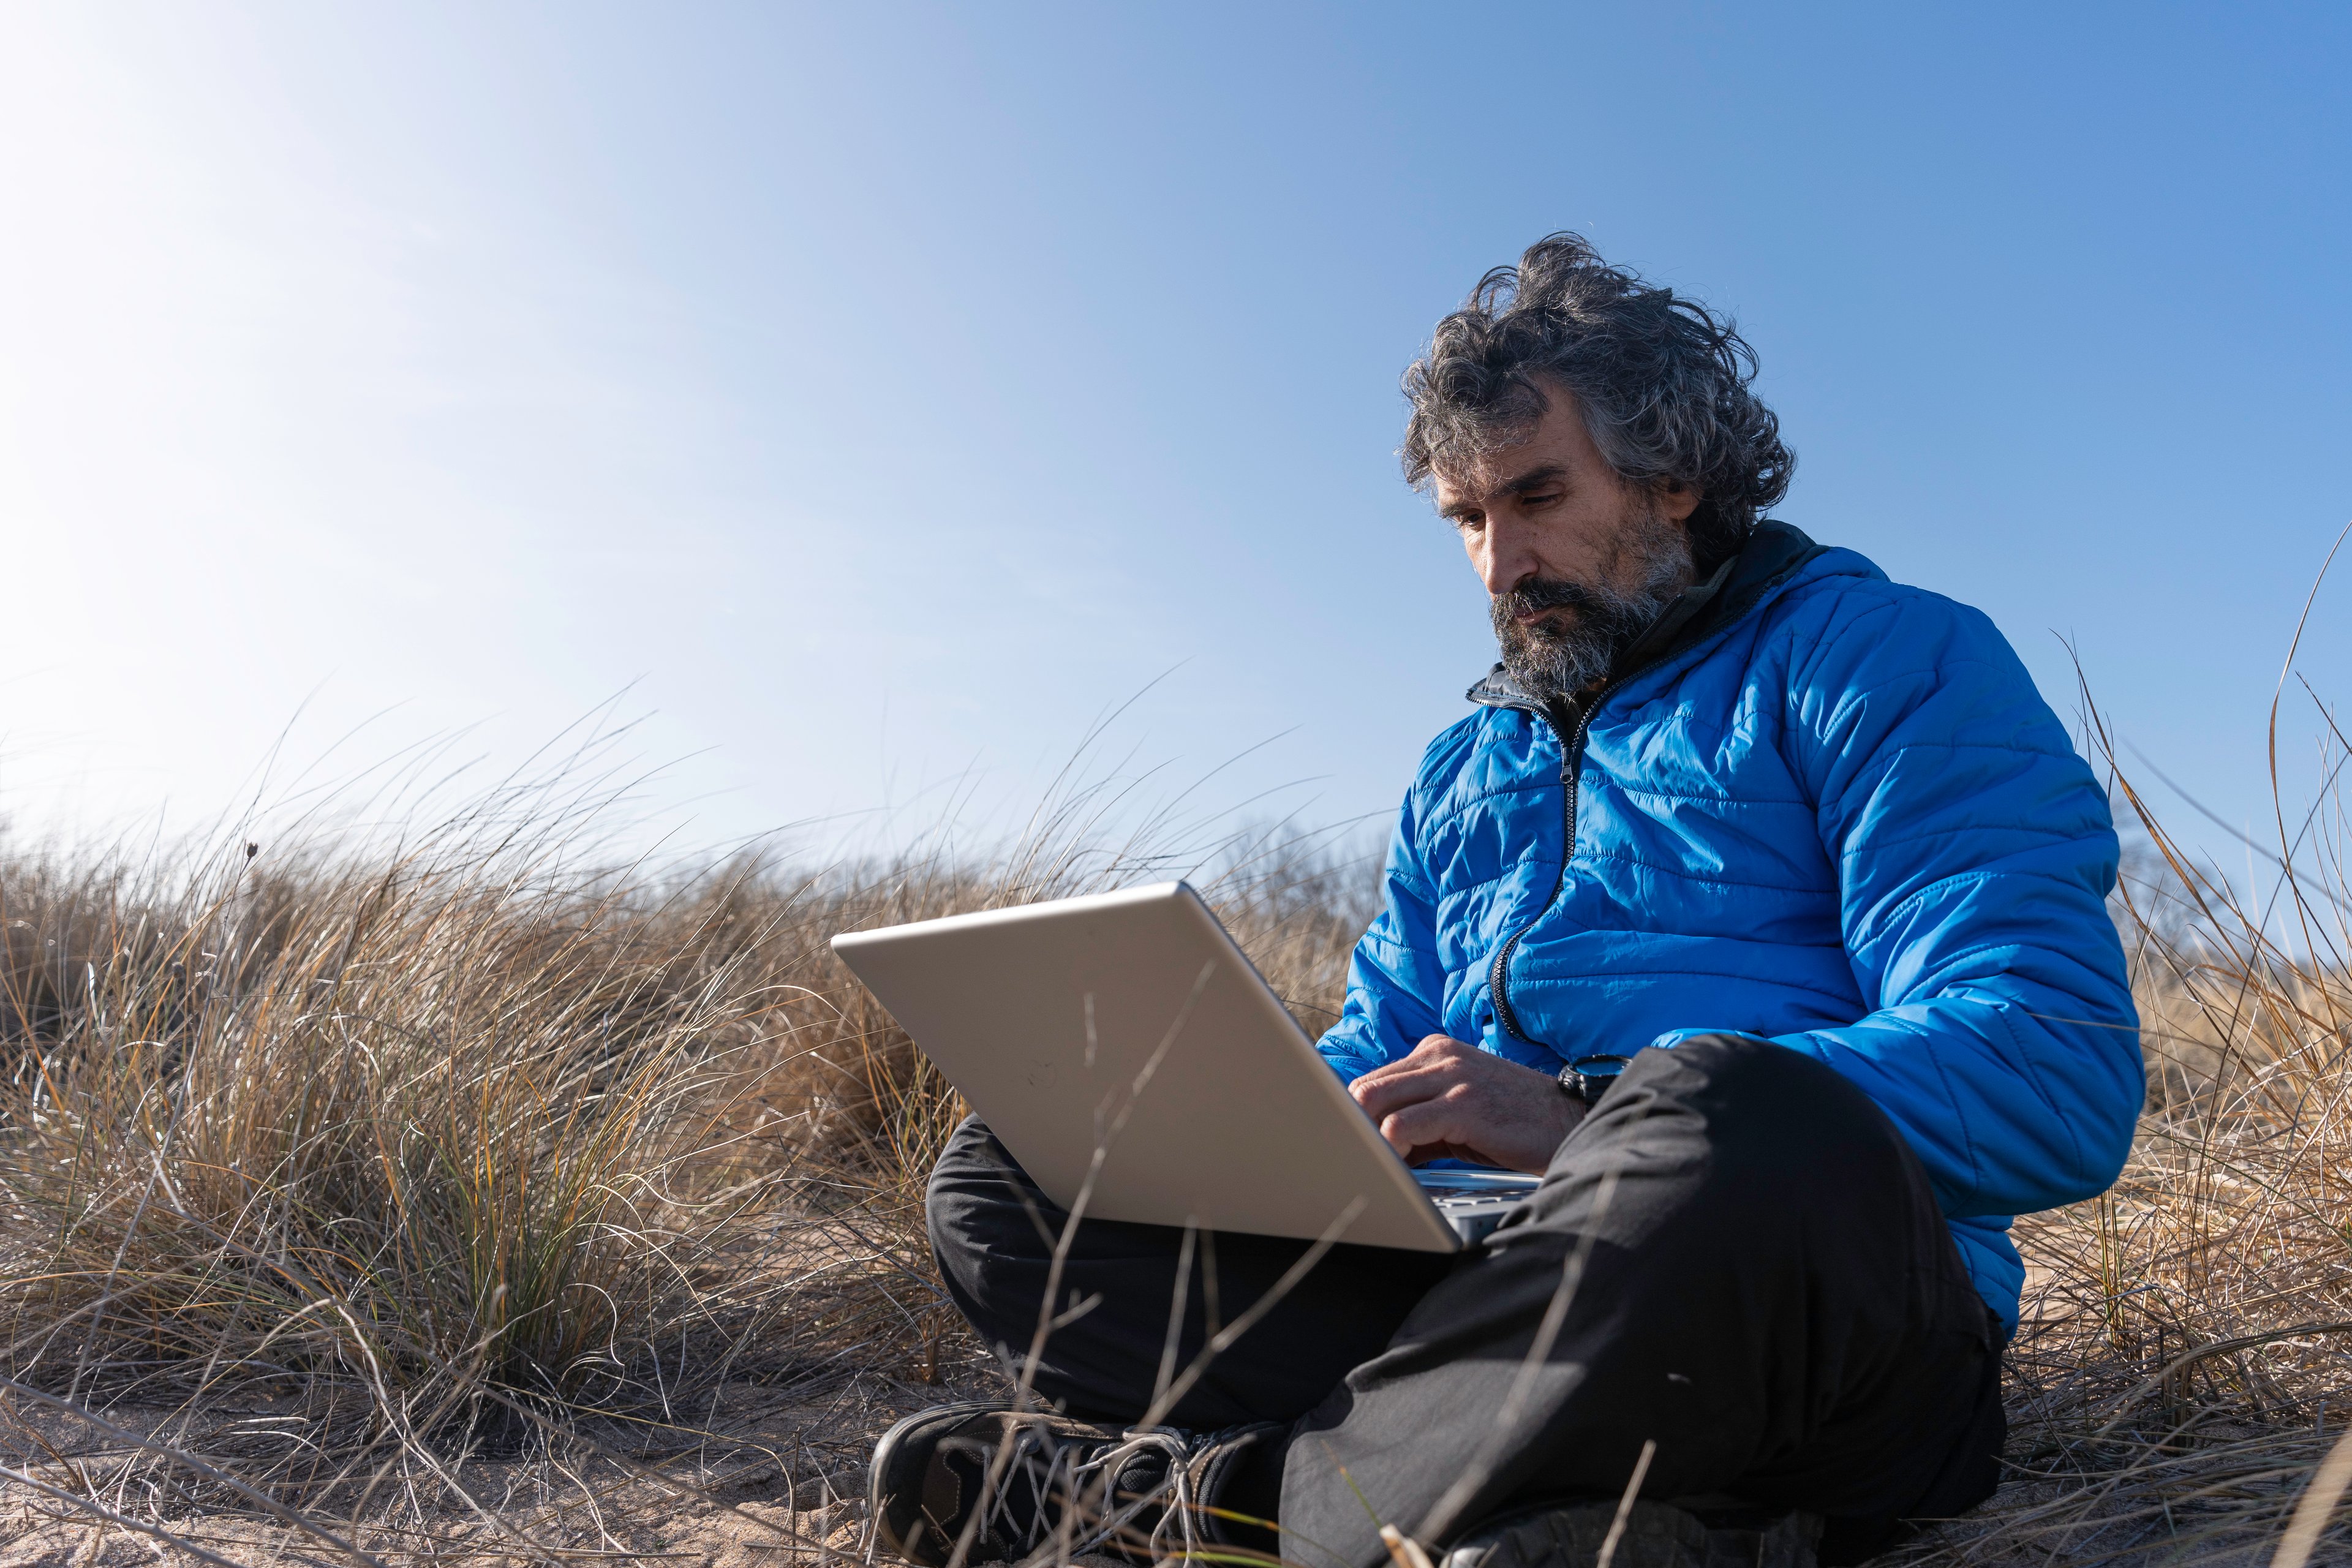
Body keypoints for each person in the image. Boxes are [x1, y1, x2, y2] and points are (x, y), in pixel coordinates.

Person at [865, 234, 2144, 1568]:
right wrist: (1247, 1115)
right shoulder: (1465, 766)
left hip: (1786, 1292)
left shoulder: (1886, 659)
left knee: (1720, 1106)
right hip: (1471, 1278)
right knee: (1011, 1170)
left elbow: (2049, 1067)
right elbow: (1387, 1042)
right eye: (1468, 518)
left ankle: (1224, 1504)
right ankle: (1571, 1507)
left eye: (1537, 494)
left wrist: (1585, 1113)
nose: (1499, 561)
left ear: (1677, 476)